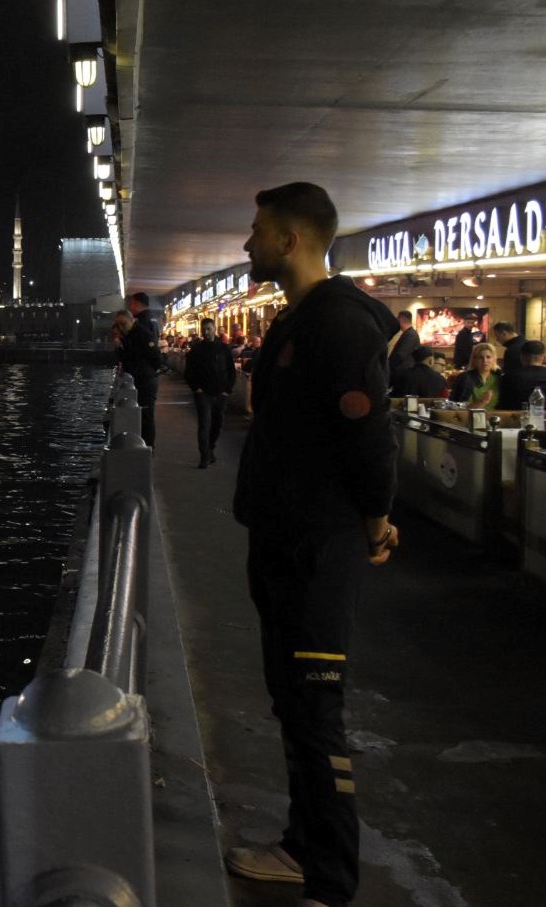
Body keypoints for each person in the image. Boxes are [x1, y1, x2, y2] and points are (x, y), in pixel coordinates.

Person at [225, 182, 400, 907]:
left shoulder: (337, 325)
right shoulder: (300, 321)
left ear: (291, 240)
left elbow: (369, 435)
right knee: (293, 703)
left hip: (316, 550)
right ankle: (302, 846)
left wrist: (374, 517)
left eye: (258, 231)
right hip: (285, 539)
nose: (247, 243)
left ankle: (330, 879)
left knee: (317, 708)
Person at [185, 316, 235, 468]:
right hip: (203, 393)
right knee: (204, 425)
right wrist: (197, 389)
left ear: (214, 328)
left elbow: (231, 371)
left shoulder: (224, 348)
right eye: (204, 329)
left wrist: (227, 390)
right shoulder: (196, 349)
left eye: (209, 329)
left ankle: (210, 449)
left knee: (217, 424)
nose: (206, 332)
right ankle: (205, 456)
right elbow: (189, 372)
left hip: (221, 393)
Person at [117, 291, 163, 446]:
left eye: (123, 324)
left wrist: (148, 371)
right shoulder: (148, 324)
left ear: (132, 319)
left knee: (146, 417)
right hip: (143, 377)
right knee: (143, 416)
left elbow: (155, 356)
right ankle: (145, 446)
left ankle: (148, 448)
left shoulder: (142, 332)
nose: (121, 328)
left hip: (145, 380)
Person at [448, 341, 501, 410]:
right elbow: (453, 406)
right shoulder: (464, 378)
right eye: (481, 357)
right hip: (468, 418)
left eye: (488, 357)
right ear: (474, 360)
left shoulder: (500, 377)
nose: (485, 361)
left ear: (494, 359)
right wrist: (481, 402)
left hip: (495, 417)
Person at [498, 339, 546, 411]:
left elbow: (503, 404)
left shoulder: (508, 377)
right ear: (544, 358)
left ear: (522, 357)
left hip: (515, 419)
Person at [387, 310, 419, 382]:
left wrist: (387, 367)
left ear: (400, 319)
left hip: (403, 374)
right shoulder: (409, 334)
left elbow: (400, 355)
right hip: (403, 373)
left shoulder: (410, 335)